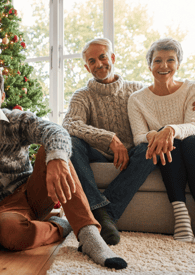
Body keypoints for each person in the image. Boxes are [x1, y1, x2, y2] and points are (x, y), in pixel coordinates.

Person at [0, 62, 128, 270]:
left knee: (53, 149)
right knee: (10, 235)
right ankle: (60, 226)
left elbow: (56, 130)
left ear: (2, 96)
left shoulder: (18, 120)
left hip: (35, 192)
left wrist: (56, 158)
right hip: (2, 208)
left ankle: (89, 236)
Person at [62, 38, 156, 245]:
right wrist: (109, 138)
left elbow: (160, 110)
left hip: (133, 153)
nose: (98, 64)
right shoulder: (82, 95)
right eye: (92, 61)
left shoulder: (137, 89)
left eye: (102, 57)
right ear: (87, 67)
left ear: (112, 57)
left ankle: (105, 213)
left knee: (151, 146)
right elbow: (70, 123)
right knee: (70, 142)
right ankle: (101, 210)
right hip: (98, 152)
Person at [128, 37, 195, 243]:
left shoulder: (191, 89)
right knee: (168, 145)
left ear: (178, 64)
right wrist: (157, 134)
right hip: (162, 152)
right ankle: (181, 218)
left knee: (189, 141)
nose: (164, 66)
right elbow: (139, 136)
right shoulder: (136, 99)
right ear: (150, 66)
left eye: (170, 60)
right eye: (157, 60)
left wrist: (170, 129)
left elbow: (192, 126)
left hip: (191, 146)